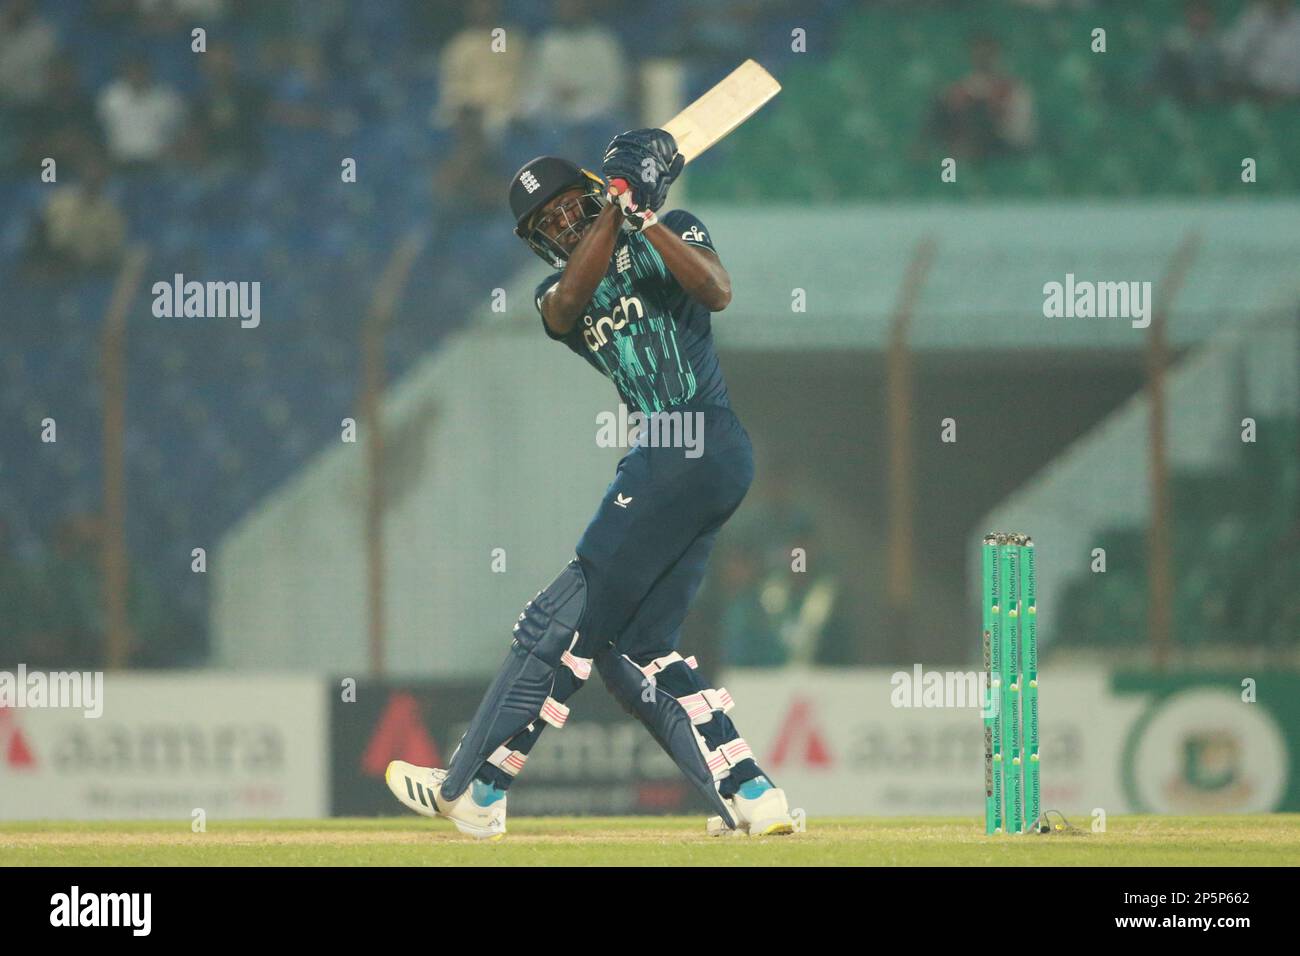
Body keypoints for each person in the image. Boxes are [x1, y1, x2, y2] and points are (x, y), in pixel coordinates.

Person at [386, 129, 794, 840]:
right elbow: (574, 300)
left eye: (568, 207)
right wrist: (616, 210)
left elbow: (716, 290)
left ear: (590, 193)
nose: (561, 223)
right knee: (634, 648)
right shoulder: (554, 294)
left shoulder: (673, 230)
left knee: (554, 619)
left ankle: (469, 787)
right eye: (546, 223)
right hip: (679, 462)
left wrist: (642, 217)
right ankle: (748, 793)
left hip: (693, 439)